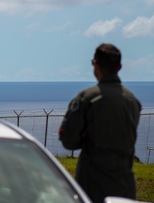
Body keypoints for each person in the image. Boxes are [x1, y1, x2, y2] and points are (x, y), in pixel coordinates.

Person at [58, 43, 142, 203]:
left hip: (92, 185)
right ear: (120, 67)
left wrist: (84, 136)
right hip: (125, 186)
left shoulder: (87, 98)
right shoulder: (132, 101)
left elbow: (68, 141)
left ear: (95, 64)